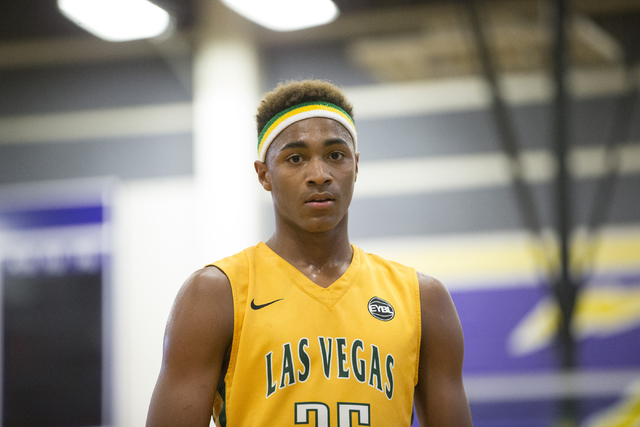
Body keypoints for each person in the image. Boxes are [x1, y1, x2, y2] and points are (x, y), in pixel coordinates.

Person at [146, 80, 472, 426]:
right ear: (264, 175)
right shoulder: (215, 294)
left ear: (356, 166)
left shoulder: (422, 298)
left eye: (335, 155)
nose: (319, 175)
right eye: (296, 158)